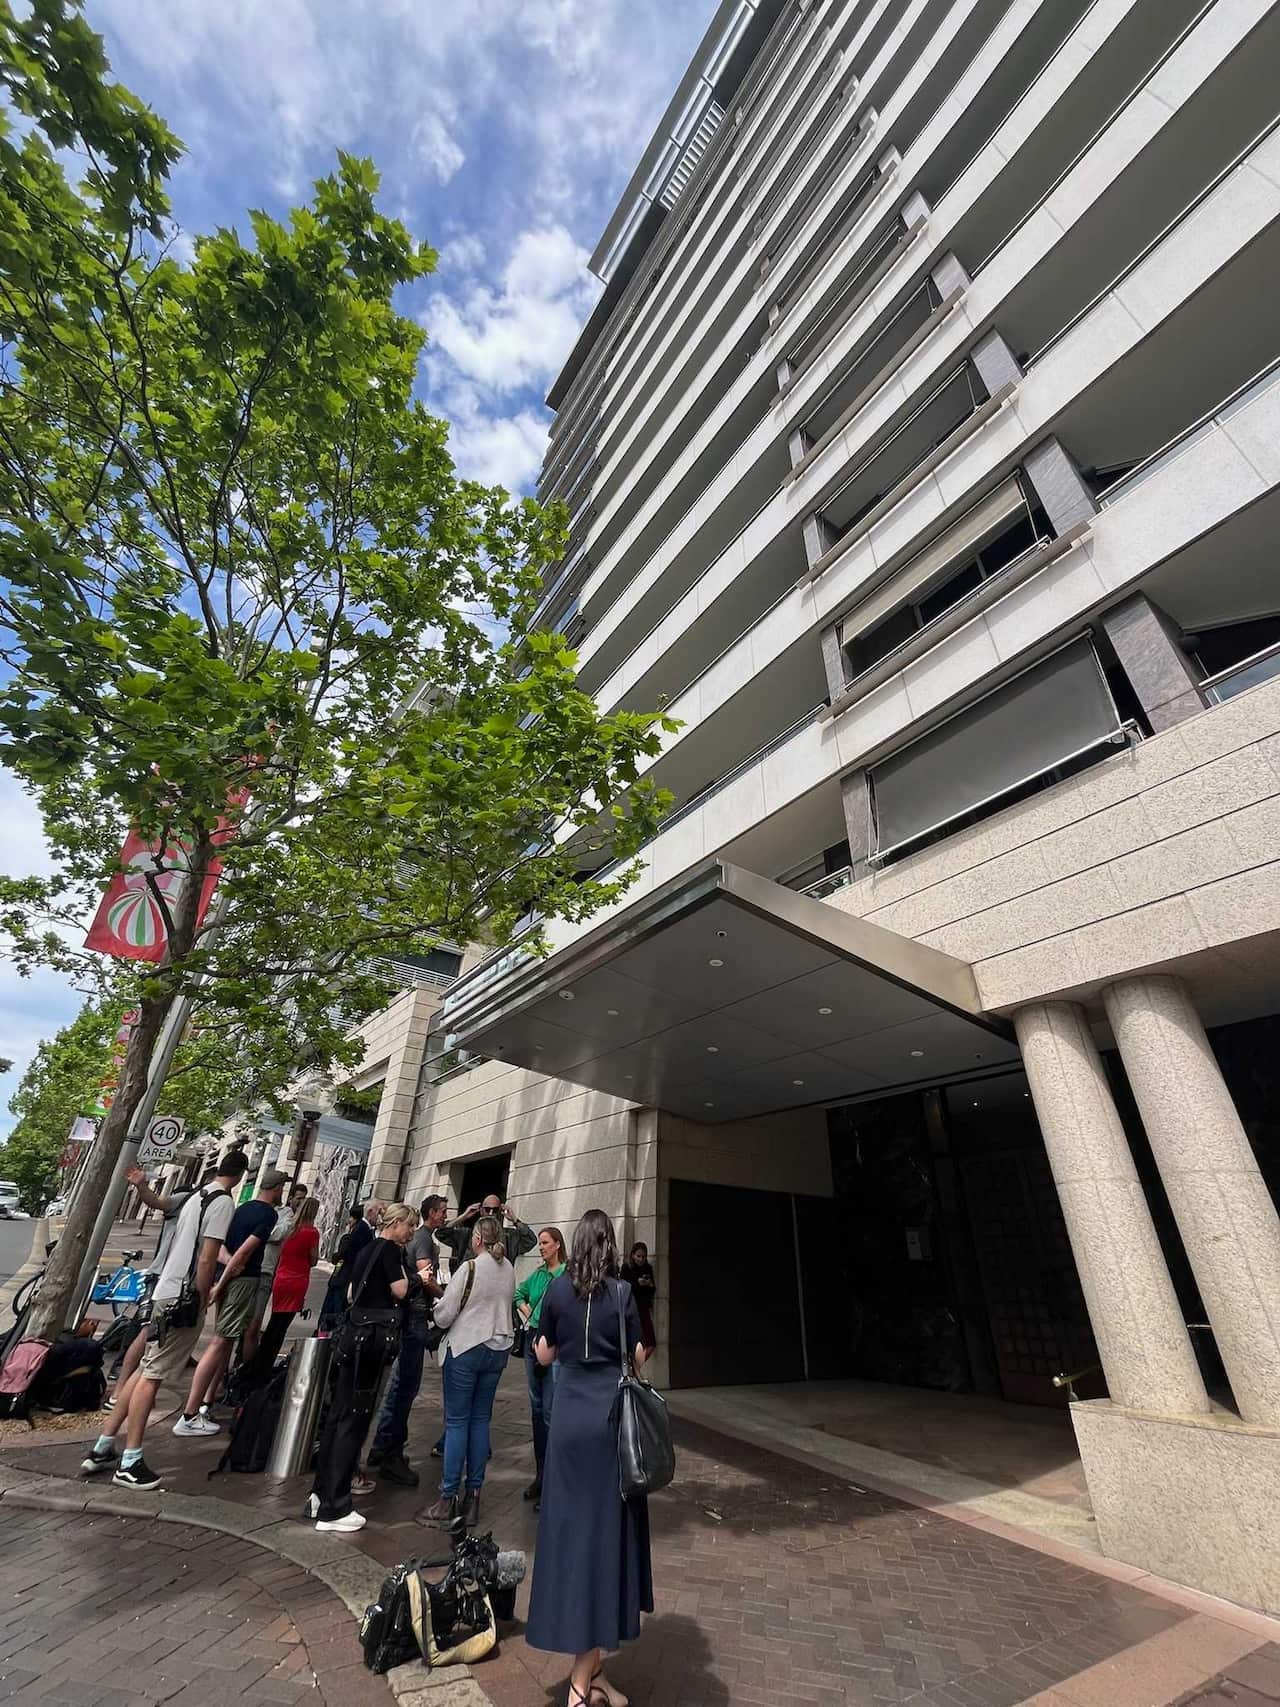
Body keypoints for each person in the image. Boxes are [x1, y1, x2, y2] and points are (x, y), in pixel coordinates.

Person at [526, 1209, 653, 1707]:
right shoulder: (621, 1293)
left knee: (571, 1535)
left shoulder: (557, 1290)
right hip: (608, 1424)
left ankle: (592, 1669)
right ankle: (581, 1686)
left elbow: (543, 1355)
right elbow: (638, 1356)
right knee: (603, 1539)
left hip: (568, 1422)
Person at [79, 1150, 248, 1488]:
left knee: (145, 1367)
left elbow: (161, 1208)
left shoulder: (196, 1196)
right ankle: (130, 1460)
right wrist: (204, 1296)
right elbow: (207, 1257)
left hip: (164, 1291)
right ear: (242, 1174)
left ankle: (103, 1446)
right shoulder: (223, 1203)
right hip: (181, 1297)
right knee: (152, 1376)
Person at [307, 1202, 432, 1533]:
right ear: (397, 1223)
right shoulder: (390, 1250)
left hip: (352, 1339)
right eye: (410, 1226)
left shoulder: (364, 1250)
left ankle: (319, 1494)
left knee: (337, 1417)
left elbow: (350, 1292)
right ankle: (335, 1506)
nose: (411, 1233)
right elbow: (400, 1290)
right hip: (372, 1343)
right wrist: (417, 1278)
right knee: (355, 1419)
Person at [417, 1213, 515, 1530]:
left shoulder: (471, 1267)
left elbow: (445, 1314)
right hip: (498, 1348)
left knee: (457, 1422)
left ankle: (447, 1498)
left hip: (467, 1347)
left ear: (476, 1239)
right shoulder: (509, 1268)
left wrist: (435, 1307)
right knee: (480, 1420)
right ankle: (474, 1497)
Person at [172, 1167, 287, 1435]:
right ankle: (191, 1411)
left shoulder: (241, 1207)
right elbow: (246, 1251)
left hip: (228, 1276)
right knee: (220, 1341)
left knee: (225, 1340)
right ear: (278, 1188)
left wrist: (223, 1268)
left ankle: (207, 1400)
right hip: (243, 1280)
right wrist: (222, 1282)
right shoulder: (268, 1214)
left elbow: (221, 1244)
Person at [366, 1194, 448, 1487]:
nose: (412, 1231)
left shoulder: (384, 1248)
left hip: (393, 1323)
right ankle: (389, 1451)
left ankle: (382, 1446)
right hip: (411, 1321)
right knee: (405, 1386)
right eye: (409, 1225)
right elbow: (417, 1281)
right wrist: (445, 1295)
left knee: (398, 1386)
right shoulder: (412, 1244)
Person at [107, 1165, 207, 1400]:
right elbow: (156, 1202)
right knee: (145, 1334)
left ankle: (129, 1391)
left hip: (174, 1279)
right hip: (163, 1276)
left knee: (152, 1336)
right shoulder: (188, 1200)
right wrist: (141, 1185)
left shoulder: (203, 1205)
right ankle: (121, 1389)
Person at [514, 1225, 567, 1505]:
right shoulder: (537, 1274)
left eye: (545, 1243)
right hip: (532, 1342)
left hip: (555, 1348)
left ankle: (553, 1480)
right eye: (541, 1243)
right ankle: (541, 1474)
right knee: (536, 1410)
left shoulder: (566, 1276)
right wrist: (528, 1315)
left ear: (558, 1244)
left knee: (550, 1411)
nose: (541, 1247)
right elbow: (517, 1295)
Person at [248, 1196, 320, 1376]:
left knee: (275, 1320)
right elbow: (313, 1259)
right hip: (297, 1280)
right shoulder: (311, 1232)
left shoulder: (290, 1229)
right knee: (281, 1327)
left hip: (281, 1277)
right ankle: (265, 1365)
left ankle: (260, 1361)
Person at [242, 1180, 308, 1365]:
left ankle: (248, 1364)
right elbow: (272, 1234)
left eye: (303, 1199)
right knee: (249, 1322)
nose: (300, 1203)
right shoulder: (283, 1215)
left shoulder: (297, 1221)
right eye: (298, 1199)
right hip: (260, 1269)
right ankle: (245, 1365)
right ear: (290, 1198)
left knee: (256, 1321)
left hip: (275, 1273)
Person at [439, 1193, 536, 1265]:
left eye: (495, 1210)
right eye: (487, 1209)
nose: (490, 1213)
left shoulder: (509, 1237)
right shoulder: (467, 1234)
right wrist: (464, 1216)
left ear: (500, 1212)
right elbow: (441, 1233)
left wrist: (515, 1220)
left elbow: (531, 1240)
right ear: (481, 1211)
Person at [320, 1204, 372, 1324]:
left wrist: (337, 1256)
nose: (349, 1221)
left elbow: (342, 1255)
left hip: (341, 1279)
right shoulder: (359, 1235)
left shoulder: (351, 1237)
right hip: (341, 1278)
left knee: (332, 1310)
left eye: (352, 1218)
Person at [620, 1241, 657, 1353]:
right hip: (631, 1309)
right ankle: (634, 1367)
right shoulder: (627, 1268)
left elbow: (652, 1289)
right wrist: (637, 1283)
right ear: (633, 1255)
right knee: (633, 1343)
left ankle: (636, 1367)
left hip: (644, 1309)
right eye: (638, 1256)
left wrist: (649, 1284)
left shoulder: (647, 1268)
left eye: (643, 1257)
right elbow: (622, 1287)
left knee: (651, 1343)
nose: (641, 1259)